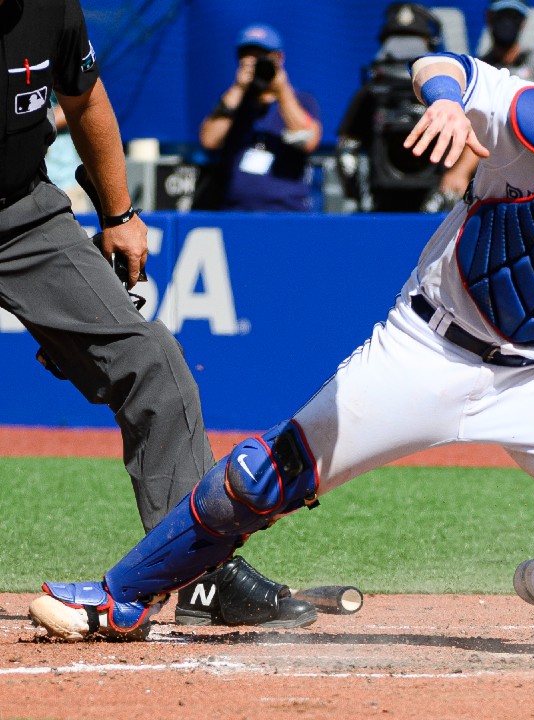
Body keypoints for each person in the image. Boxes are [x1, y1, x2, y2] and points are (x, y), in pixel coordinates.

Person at [28, 40, 534, 645]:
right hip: (428, 347)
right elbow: (444, 64)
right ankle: (121, 596)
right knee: (264, 477)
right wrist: (444, 102)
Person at [1, 0, 313, 630]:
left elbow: (85, 99)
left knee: (153, 363)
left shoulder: (51, 6)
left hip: (21, 212)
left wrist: (118, 215)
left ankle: (199, 574)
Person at [426, 0, 534, 213]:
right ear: (489, 19)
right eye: (501, 16)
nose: (507, 24)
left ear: (523, 23)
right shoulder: (478, 70)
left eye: (514, 18)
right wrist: (460, 171)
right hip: (487, 183)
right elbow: (476, 125)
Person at [335, 3, 448, 212]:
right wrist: (360, 199)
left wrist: (449, 189)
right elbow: (346, 149)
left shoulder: (445, 96)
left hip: (435, 202)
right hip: (380, 202)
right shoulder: (370, 95)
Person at [197, 23, 322, 212]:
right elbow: (209, 140)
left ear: (279, 58)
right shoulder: (233, 101)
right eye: (248, 57)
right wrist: (238, 88)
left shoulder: (301, 100)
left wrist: (282, 90)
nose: (255, 63)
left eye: (261, 56)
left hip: (287, 211)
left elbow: (309, 140)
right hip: (236, 211)